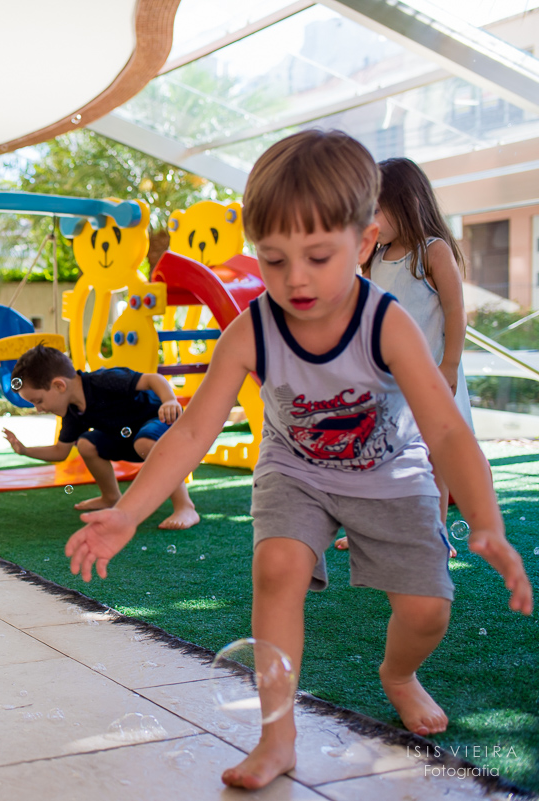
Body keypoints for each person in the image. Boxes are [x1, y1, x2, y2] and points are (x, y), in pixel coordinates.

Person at [61, 130, 533, 790]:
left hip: (388, 471)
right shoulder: (252, 328)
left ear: (365, 241)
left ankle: (397, 672)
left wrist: (485, 516)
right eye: (275, 260)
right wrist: (129, 512)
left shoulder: (386, 319)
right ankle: (276, 738)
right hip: (297, 470)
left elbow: (448, 431)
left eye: (317, 255)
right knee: (278, 565)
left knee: (427, 608)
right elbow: (195, 429)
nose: (296, 278)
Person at [335, 157, 470, 555]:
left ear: (407, 202)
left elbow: (455, 312)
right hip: (388, 378)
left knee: (433, 456)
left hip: (431, 376)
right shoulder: (376, 258)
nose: (368, 219)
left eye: (375, 209)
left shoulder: (434, 251)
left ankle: (437, 532)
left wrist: (450, 365)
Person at [2, 345, 199, 530]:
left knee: (144, 441)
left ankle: (185, 506)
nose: (38, 409)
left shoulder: (103, 380)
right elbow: (60, 451)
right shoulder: (72, 412)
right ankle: (110, 497)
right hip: (131, 440)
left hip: (161, 423)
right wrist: (24, 450)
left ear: (59, 385)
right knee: (86, 444)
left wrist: (170, 401)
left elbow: (153, 379)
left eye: (38, 401)